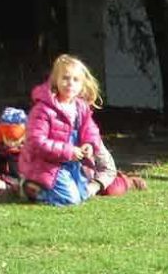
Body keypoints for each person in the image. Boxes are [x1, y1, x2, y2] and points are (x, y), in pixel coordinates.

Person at [20, 55, 113, 206]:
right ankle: (31, 189)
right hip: (47, 164)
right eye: (65, 78)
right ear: (55, 80)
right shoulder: (43, 109)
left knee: (83, 195)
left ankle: (40, 188)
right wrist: (68, 151)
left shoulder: (80, 107)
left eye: (75, 80)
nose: (70, 83)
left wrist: (89, 144)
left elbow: (90, 129)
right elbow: (37, 142)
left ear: (82, 85)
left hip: (71, 163)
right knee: (70, 200)